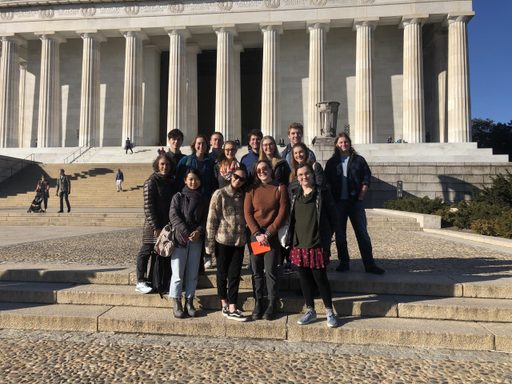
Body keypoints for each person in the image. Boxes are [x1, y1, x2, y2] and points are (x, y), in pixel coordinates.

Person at [284, 163, 340, 328]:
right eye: (300, 175)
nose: (303, 177)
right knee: (304, 279)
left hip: (316, 243)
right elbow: (291, 218)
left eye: (306, 174)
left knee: (320, 279)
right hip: (299, 243)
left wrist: (329, 238)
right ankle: (310, 309)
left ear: (312, 175)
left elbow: (333, 217)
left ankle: (329, 311)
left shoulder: (322, 193)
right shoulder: (295, 194)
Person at [324, 132, 385, 275]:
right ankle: (344, 262)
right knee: (340, 234)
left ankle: (369, 264)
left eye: (345, 142)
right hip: (338, 203)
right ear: (336, 145)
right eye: (340, 142)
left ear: (350, 143)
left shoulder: (359, 160)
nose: (343, 144)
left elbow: (366, 177)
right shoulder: (332, 162)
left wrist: (362, 194)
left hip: (355, 202)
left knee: (362, 234)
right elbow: (327, 182)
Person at [244, 159, 288, 321]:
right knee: (256, 270)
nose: (262, 171)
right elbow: (248, 213)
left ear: (271, 169)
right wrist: (257, 233)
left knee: (270, 270)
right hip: (256, 236)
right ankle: (258, 301)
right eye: (259, 170)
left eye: (265, 168)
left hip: (271, 236)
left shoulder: (279, 188)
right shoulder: (252, 190)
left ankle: (271, 302)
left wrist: (268, 233)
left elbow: (282, 212)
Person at [206, 167, 249, 322]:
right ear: (231, 176)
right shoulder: (220, 194)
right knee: (222, 273)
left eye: (242, 179)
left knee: (235, 274)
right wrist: (209, 245)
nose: (238, 180)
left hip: (239, 241)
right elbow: (212, 220)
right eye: (236, 176)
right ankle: (224, 302)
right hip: (222, 240)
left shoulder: (244, 195)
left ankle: (233, 306)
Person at [169, 168, 209, 318]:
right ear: (185, 180)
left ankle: (189, 301)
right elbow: (174, 216)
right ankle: (177, 301)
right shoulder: (178, 197)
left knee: (192, 274)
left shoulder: (203, 199)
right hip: (180, 240)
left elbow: (205, 219)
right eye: (190, 179)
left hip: (196, 240)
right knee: (178, 273)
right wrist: (186, 231)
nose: (193, 182)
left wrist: (198, 231)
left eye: (196, 179)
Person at [135, 154, 176, 294]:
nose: (165, 167)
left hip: (165, 226)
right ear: (157, 165)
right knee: (146, 251)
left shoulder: (169, 181)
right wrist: (156, 227)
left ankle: (155, 282)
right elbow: (148, 207)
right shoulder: (151, 181)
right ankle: (140, 281)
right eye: (162, 164)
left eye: (167, 164)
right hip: (153, 227)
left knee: (160, 253)